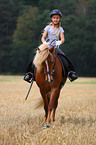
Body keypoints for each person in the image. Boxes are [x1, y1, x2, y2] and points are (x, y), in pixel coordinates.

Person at [24, 9, 78, 83]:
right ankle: (30, 73)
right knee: (36, 58)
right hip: (46, 47)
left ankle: (70, 72)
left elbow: (62, 39)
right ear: (51, 19)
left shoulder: (61, 29)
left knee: (64, 57)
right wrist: (44, 42)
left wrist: (60, 42)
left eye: (57, 18)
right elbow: (43, 37)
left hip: (55, 48)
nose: (56, 19)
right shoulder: (48, 28)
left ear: (60, 19)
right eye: (54, 18)